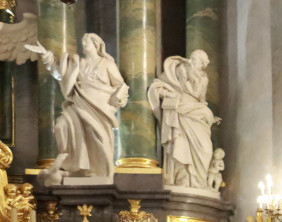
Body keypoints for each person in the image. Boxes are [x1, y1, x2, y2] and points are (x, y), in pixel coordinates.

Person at [33, 34, 129, 178]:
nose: (83, 45)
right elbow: (60, 75)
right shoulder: (77, 62)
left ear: (96, 45)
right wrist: (47, 56)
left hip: (100, 107)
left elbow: (120, 85)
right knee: (60, 126)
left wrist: (118, 98)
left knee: (96, 136)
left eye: (87, 42)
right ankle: (74, 166)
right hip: (78, 103)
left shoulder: (107, 64)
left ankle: (98, 171)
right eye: (82, 42)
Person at [147, 50, 221, 189]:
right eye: (199, 62)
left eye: (203, 64)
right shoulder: (180, 69)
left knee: (206, 149)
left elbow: (202, 99)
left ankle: (199, 182)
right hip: (180, 108)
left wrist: (210, 117)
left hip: (197, 110)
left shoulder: (204, 77)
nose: (200, 66)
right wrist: (170, 94)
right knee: (180, 142)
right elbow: (160, 85)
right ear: (193, 59)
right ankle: (183, 179)